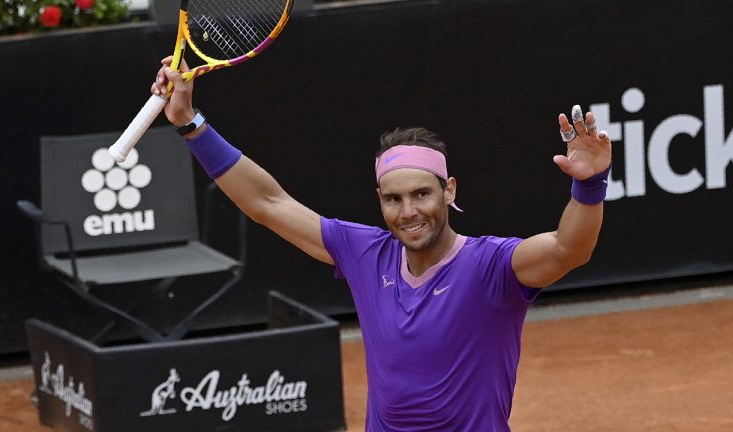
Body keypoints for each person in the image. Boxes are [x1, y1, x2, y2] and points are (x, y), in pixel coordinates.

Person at [151, 56, 612, 431]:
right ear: (380, 202)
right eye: (394, 199)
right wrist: (190, 123)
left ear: (449, 191)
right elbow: (268, 202)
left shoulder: (492, 265)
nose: (408, 211)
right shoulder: (364, 253)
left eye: (421, 194)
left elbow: (568, 249)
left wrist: (589, 186)